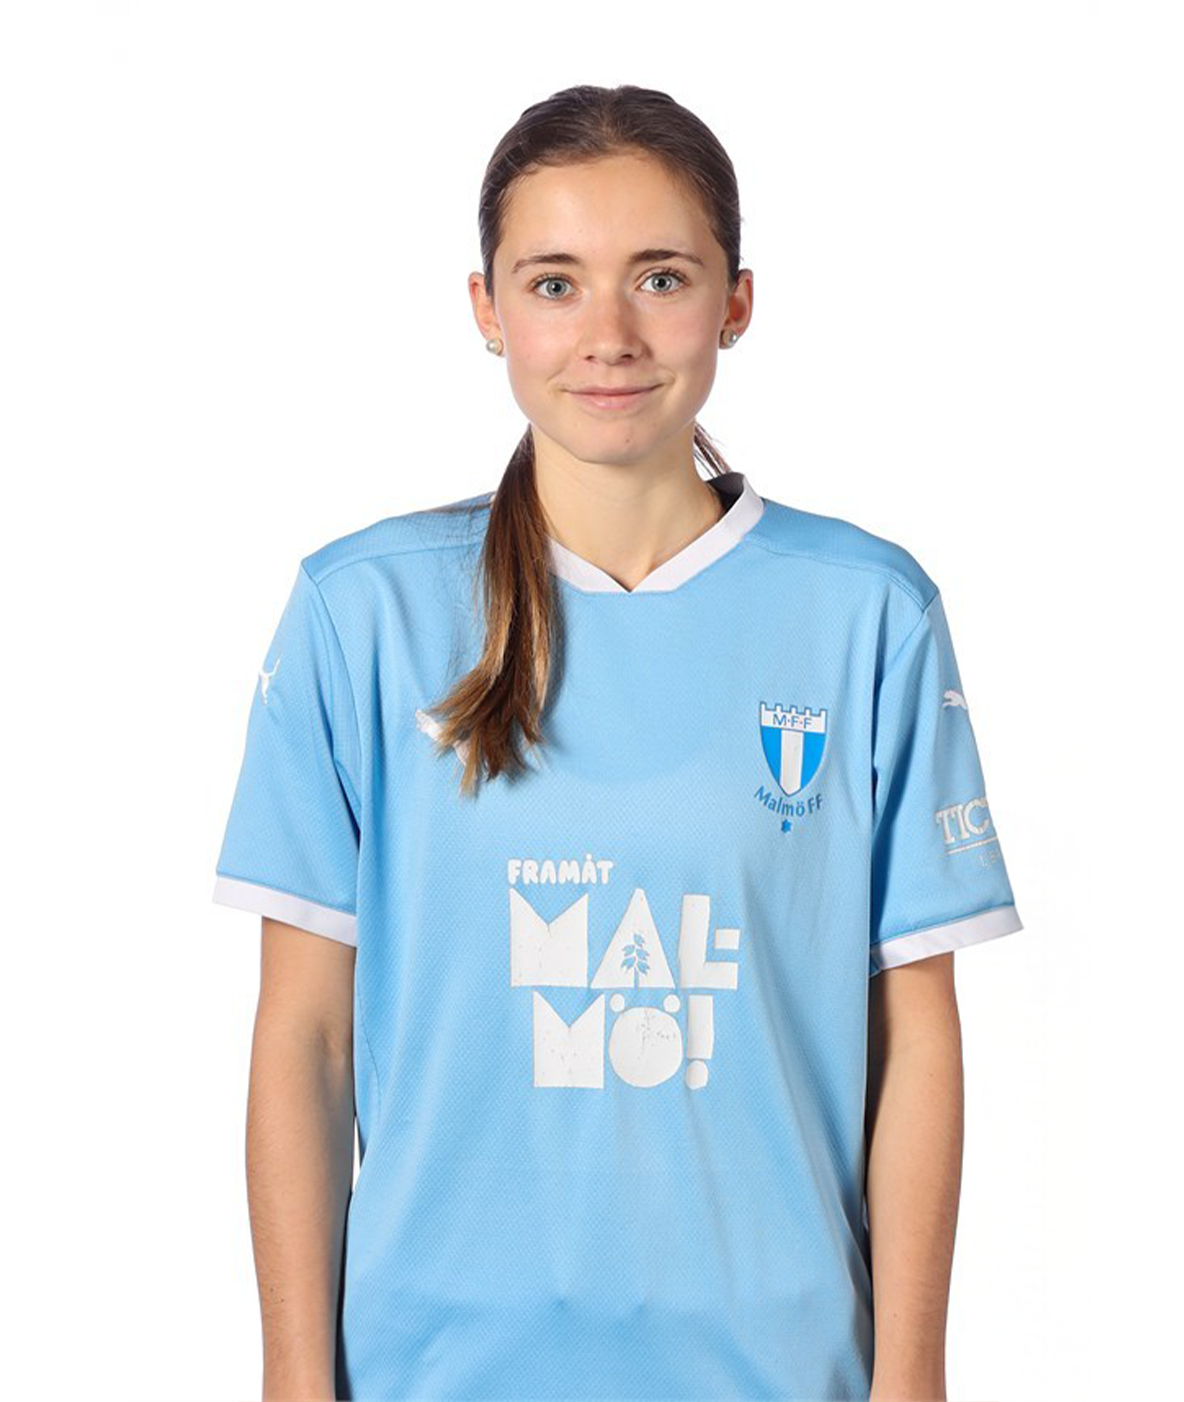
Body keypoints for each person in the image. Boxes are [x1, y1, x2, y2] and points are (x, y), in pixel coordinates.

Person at [212, 84, 1023, 1402]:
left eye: (660, 277)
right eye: (553, 283)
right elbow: (306, 1039)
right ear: (485, 309)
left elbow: (913, 1037)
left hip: (778, 1370)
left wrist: (913, 1376)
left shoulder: (866, 612)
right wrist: (295, 1382)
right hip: (437, 1371)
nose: (608, 336)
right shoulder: (360, 614)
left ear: (736, 302)